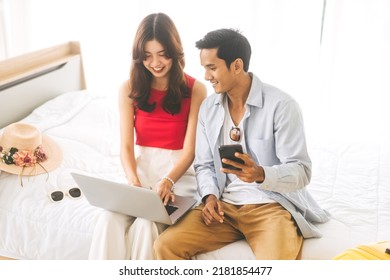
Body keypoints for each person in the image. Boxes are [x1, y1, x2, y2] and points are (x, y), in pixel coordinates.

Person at [154, 28, 329, 260]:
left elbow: (302, 170)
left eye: (212, 67)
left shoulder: (282, 106)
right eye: (204, 68)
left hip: (269, 206)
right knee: (165, 246)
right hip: (223, 208)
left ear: (236, 66)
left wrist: (260, 174)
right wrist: (209, 197)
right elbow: (204, 165)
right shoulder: (208, 108)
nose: (206, 76)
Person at [88, 13, 207, 260]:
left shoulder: (196, 89)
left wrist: (168, 180)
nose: (155, 63)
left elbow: (190, 151)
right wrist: (133, 182)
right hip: (141, 175)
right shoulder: (129, 88)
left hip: (179, 177)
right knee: (108, 218)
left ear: (175, 52)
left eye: (163, 54)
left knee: (145, 225)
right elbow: (125, 146)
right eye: (147, 56)